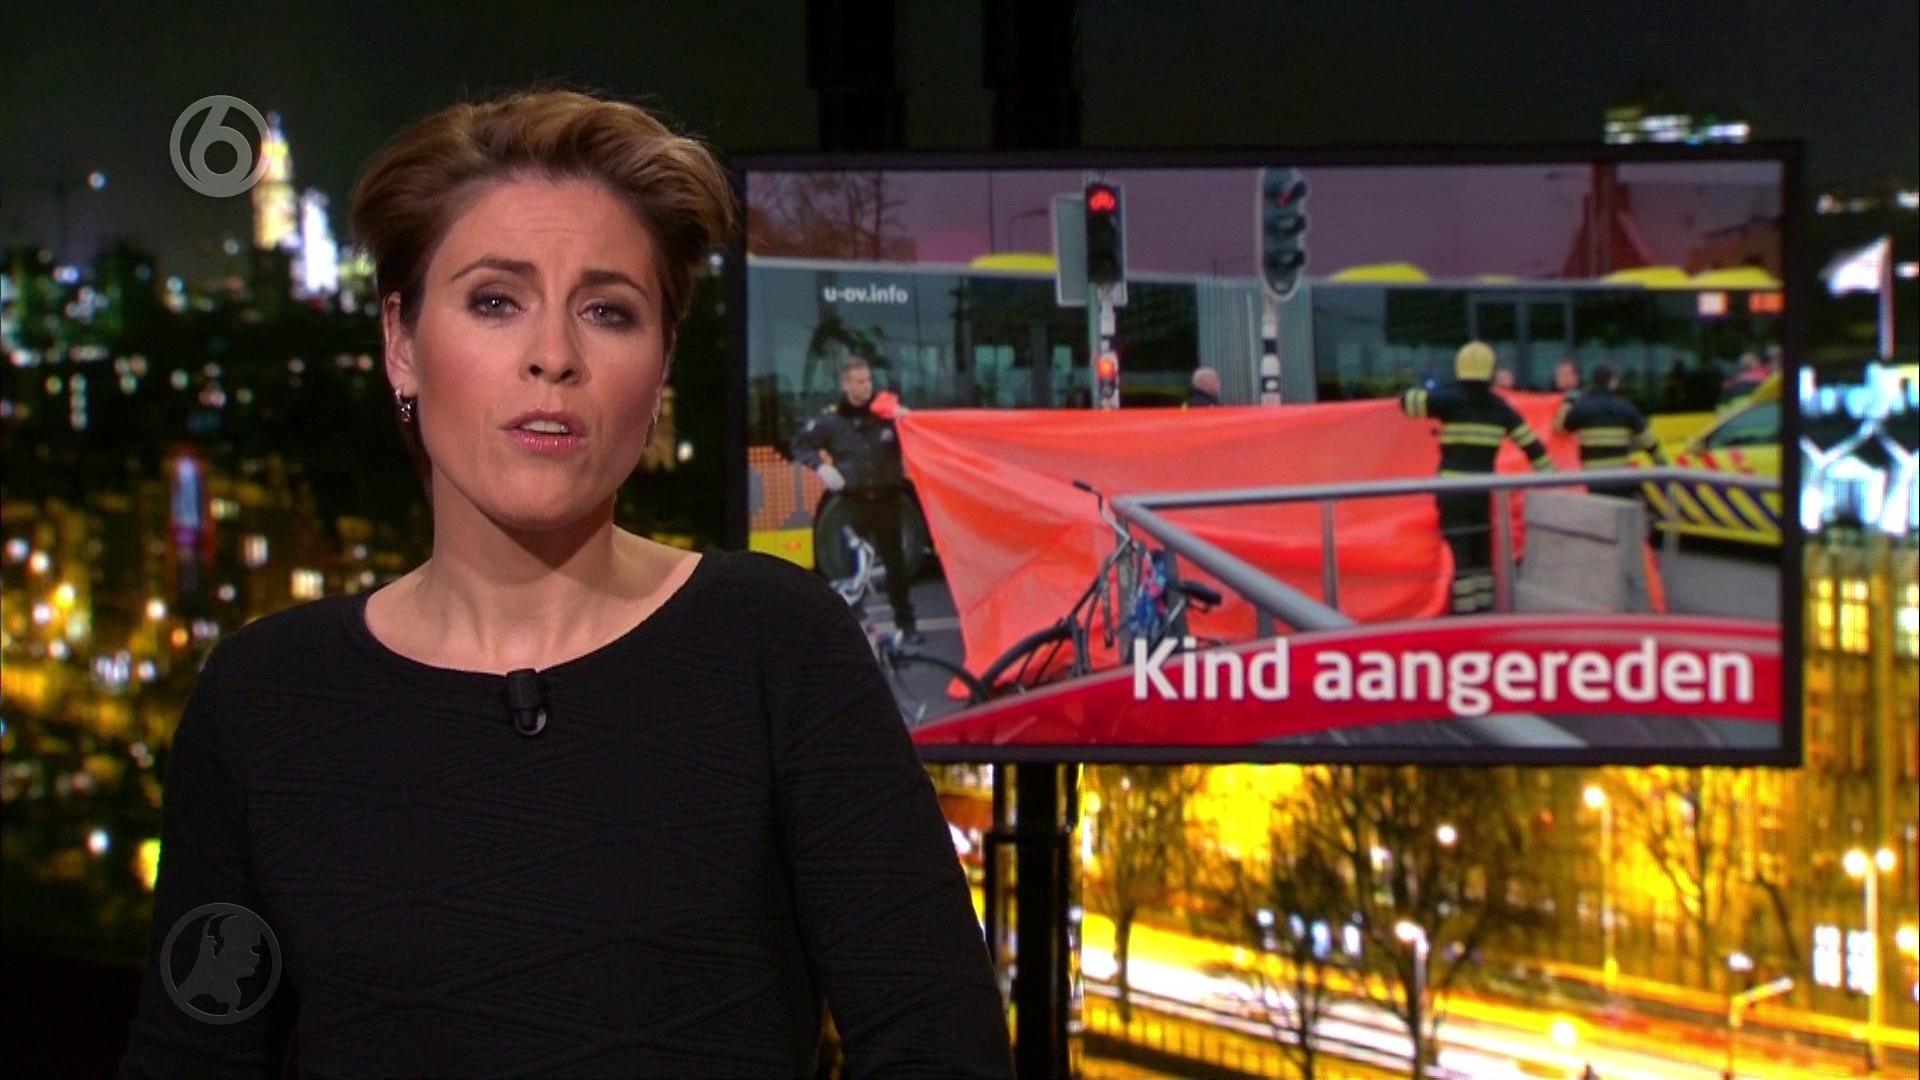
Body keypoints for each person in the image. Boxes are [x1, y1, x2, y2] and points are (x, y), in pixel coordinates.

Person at [118, 89, 1011, 1079]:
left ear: (661, 367)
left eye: (608, 311)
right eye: (496, 302)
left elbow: (943, 1048)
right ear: (401, 343)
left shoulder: (779, 648)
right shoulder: (261, 699)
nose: (553, 357)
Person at [1401, 340, 1555, 614]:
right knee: (1481, 548)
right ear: (1490, 369)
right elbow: (1533, 447)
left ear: (1460, 366)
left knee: (1459, 552)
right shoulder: (1500, 407)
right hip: (1482, 491)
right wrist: (1553, 479)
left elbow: (1407, 402)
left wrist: (1428, 386)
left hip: (1452, 491)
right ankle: (1484, 608)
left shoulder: (1447, 399)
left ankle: (1464, 614)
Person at [791, 355, 920, 643]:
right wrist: (821, 467)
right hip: (853, 504)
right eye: (860, 382)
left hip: (888, 501)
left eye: (869, 380)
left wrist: (907, 420)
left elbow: (917, 441)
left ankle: (908, 625)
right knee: (852, 570)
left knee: (896, 566)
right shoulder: (832, 421)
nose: (867, 386)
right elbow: (800, 445)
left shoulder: (887, 415)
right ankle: (855, 633)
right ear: (846, 385)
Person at [1555, 361, 1667, 473]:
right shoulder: (1626, 408)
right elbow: (1648, 441)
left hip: (1591, 478)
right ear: (1613, 381)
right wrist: (1663, 465)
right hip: (1618, 478)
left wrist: (1568, 402)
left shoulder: (1581, 407)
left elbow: (1559, 429)